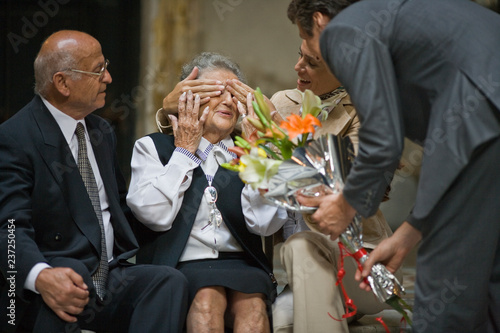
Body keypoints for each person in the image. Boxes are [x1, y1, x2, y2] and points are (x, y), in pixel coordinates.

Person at [287, 0, 500, 332]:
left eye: (307, 39)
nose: (319, 55)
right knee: (490, 279)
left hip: (481, 115)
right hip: (486, 120)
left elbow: (382, 138)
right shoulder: (385, 19)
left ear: (319, 19)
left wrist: (346, 205)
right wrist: (406, 235)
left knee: (446, 286)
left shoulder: (343, 30)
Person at [0, 30, 188, 333]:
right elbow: (9, 228)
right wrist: (40, 276)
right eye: (98, 70)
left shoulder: (101, 131)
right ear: (62, 83)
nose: (109, 78)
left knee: (167, 281)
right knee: (70, 273)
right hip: (58, 279)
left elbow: (123, 210)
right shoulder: (15, 138)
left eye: (107, 66)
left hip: (109, 276)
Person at [126, 52, 288, 333]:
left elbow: (264, 225)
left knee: (253, 309)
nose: (227, 101)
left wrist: (257, 157)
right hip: (180, 265)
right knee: (206, 301)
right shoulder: (153, 148)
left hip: (243, 263)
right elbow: (154, 216)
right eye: (216, 92)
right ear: (187, 97)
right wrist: (185, 152)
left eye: (234, 95)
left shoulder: (249, 148)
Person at [270, 40, 398, 333]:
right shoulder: (282, 102)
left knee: (301, 245)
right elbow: (220, 141)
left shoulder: (366, 113)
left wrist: (275, 128)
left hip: (362, 266)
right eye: (299, 55)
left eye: (312, 62)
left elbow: (336, 186)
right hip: (301, 274)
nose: (298, 67)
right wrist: (171, 109)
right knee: (280, 321)